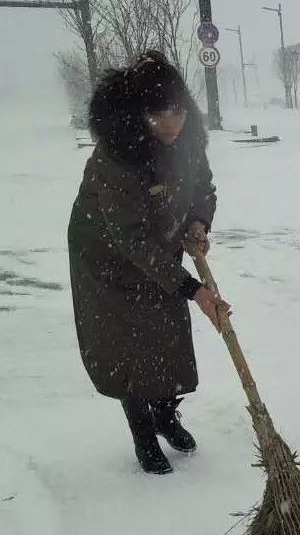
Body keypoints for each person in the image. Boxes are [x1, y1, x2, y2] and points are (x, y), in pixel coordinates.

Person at [68, 50, 230, 475]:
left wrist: (197, 220)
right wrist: (192, 288)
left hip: (158, 247)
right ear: (139, 115)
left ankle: (165, 415)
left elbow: (202, 185)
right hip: (107, 259)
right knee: (130, 348)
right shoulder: (116, 156)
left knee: (169, 338)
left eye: (177, 111)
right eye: (159, 117)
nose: (171, 125)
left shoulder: (188, 138)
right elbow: (130, 238)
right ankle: (143, 433)